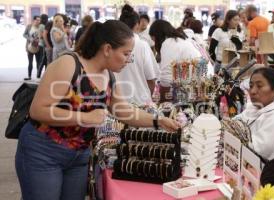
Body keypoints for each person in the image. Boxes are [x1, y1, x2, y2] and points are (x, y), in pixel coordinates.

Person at [15, 20, 180, 200]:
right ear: (107, 49)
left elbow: (123, 110)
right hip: (43, 152)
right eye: (126, 54)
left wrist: (158, 121)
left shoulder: (109, 75)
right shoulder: (68, 64)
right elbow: (38, 110)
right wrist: (85, 117)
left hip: (79, 156)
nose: (128, 60)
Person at [235, 67, 274, 160]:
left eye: (259, 86)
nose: (252, 91)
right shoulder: (254, 108)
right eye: (251, 86)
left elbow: (256, 150)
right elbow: (234, 123)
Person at [118, 4, 159, 105]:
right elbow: (151, 79)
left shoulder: (112, 44)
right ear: (137, 24)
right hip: (141, 103)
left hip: (117, 104)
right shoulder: (142, 45)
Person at [149, 19, 200, 99]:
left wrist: (162, 102)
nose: (155, 44)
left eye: (154, 40)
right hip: (195, 87)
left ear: (158, 36)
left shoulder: (169, 43)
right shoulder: (180, 40)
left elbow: (166, 79)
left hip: (193, 89)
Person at [23, 15, 42, 80]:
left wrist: (39, 39)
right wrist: (30, 39)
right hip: (29, 47)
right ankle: (29, 76)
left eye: (39, 20)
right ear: (34, 20)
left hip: (38, 47)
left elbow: (42, 36)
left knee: (38, 62)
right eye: (37, 20)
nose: (38, 21)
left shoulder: (40, 27)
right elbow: (24, 34)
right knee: (30, 62)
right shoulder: (29, 26)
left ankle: (38, 76)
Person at [37, 14, 49, 78]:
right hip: (43, 45)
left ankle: (41, 74)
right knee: (43, 60)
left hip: (42, 44)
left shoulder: (41, 25)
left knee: (44, 60)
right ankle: (39, 74)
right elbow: (41, 35)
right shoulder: (42, 26)